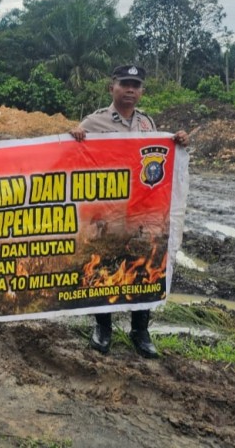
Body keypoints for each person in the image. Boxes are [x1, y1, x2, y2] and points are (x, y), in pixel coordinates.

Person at [69, 64, 189, 359]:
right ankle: (103, 328)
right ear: (112, 87)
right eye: (125, 84)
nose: (130, 90)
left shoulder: (147, 124)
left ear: (141, 91)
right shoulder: (94, 122)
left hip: (142, 212)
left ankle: (140, 330)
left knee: (145, 264)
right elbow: (73, 157)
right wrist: (75, 137)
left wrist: (178, 143)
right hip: (107, 212)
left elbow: (158, 160)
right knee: (104, 265)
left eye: (136, 85)